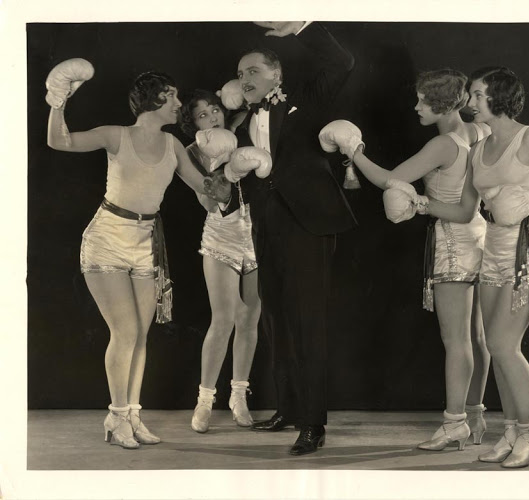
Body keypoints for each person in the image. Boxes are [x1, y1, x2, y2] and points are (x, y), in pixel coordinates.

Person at [405, 66, 529, 467]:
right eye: (471, 95)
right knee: (495, 345)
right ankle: (511, 432)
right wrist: (418, 204)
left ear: (499, 98)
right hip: (491, 247)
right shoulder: (478, 149)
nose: (470, 102)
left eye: (477, 95)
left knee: (505, 346)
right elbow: (463, 210)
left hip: (526, 248)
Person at [46, 61, 229, 449]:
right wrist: (57, 101)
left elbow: (207, 191)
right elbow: (59, 142)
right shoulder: (117, 135)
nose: (179, 104)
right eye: (173, 96)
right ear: (156, 99)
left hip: (145, 243)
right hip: (107, 238)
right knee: (125, 332)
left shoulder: (173, 145)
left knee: (140, 335)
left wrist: (226, 166)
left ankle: (131, 415)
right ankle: (116, 417)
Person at [322, 69, 492, 451]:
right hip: (481, 236)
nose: (416, 107)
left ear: (443, 105)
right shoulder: (480, 131)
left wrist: (354, 150)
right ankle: (475, 417)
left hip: (453, 241)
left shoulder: (443, 144)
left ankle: (454, 424)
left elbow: (391, 181)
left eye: (422, 100)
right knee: (476, 337)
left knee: (456, 340)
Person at [221, 21, 357, 455]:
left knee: (307, 322)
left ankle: (313, 424)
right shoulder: (240, 122)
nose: (245, 78)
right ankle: (289, 409)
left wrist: (299, 26)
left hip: (309, 225)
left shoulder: (304, 99)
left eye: (254, 70)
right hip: (266, 228)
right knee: (276, 320)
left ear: (276, 74)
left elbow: (342, 62)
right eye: (240, 73)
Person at [178, 89, 261, 432]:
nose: (212, 117)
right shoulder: (190, 153)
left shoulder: (243, 131)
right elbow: (211, 203)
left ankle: (239, 396)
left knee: (250, 317)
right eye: (203, 115)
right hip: (222, 233)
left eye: (214, 109)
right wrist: (221, 168)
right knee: (223, 319)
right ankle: (205, 400)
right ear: (192, 123)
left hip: (257, 231)